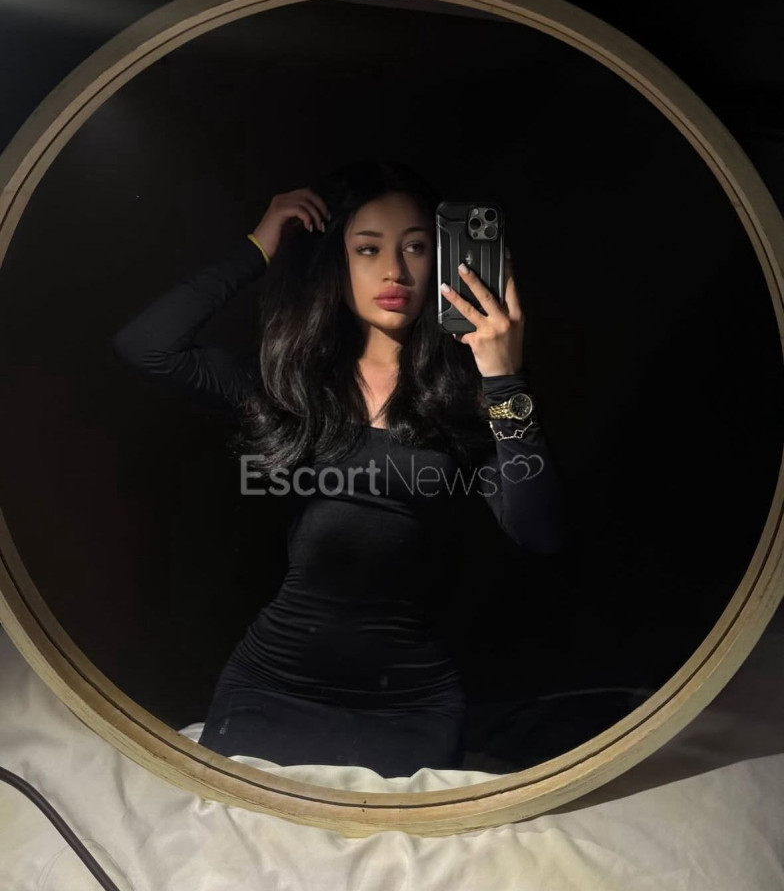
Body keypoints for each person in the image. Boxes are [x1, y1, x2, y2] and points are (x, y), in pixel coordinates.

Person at [113, 158, 568, 776]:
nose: (394, 270)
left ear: (442, 261)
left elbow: (540, 533)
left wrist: (504, 377)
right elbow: (147, 345)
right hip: (273, 683)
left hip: (408, 703)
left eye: (416, 247)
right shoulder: (292, 386)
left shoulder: (467, 399)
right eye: (367, 249)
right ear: (338, 262)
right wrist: (258, 248)